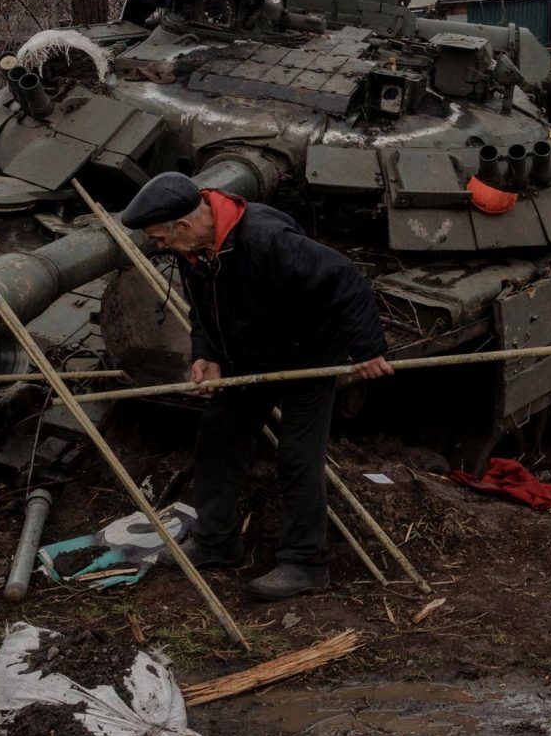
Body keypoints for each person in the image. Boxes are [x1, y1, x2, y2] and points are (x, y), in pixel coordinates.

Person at [117, 171, 393, 599]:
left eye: (161, 238)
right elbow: (205, 309)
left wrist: (367, 348)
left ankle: (304, 563)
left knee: (298, 457)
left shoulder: (267, 240)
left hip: (307, 358)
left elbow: (345, 278)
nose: (160, 246)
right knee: (218, 439)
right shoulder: (197, 253)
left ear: (185, 226)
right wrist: (206, 353)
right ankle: (215, 542)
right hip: (247, 359)